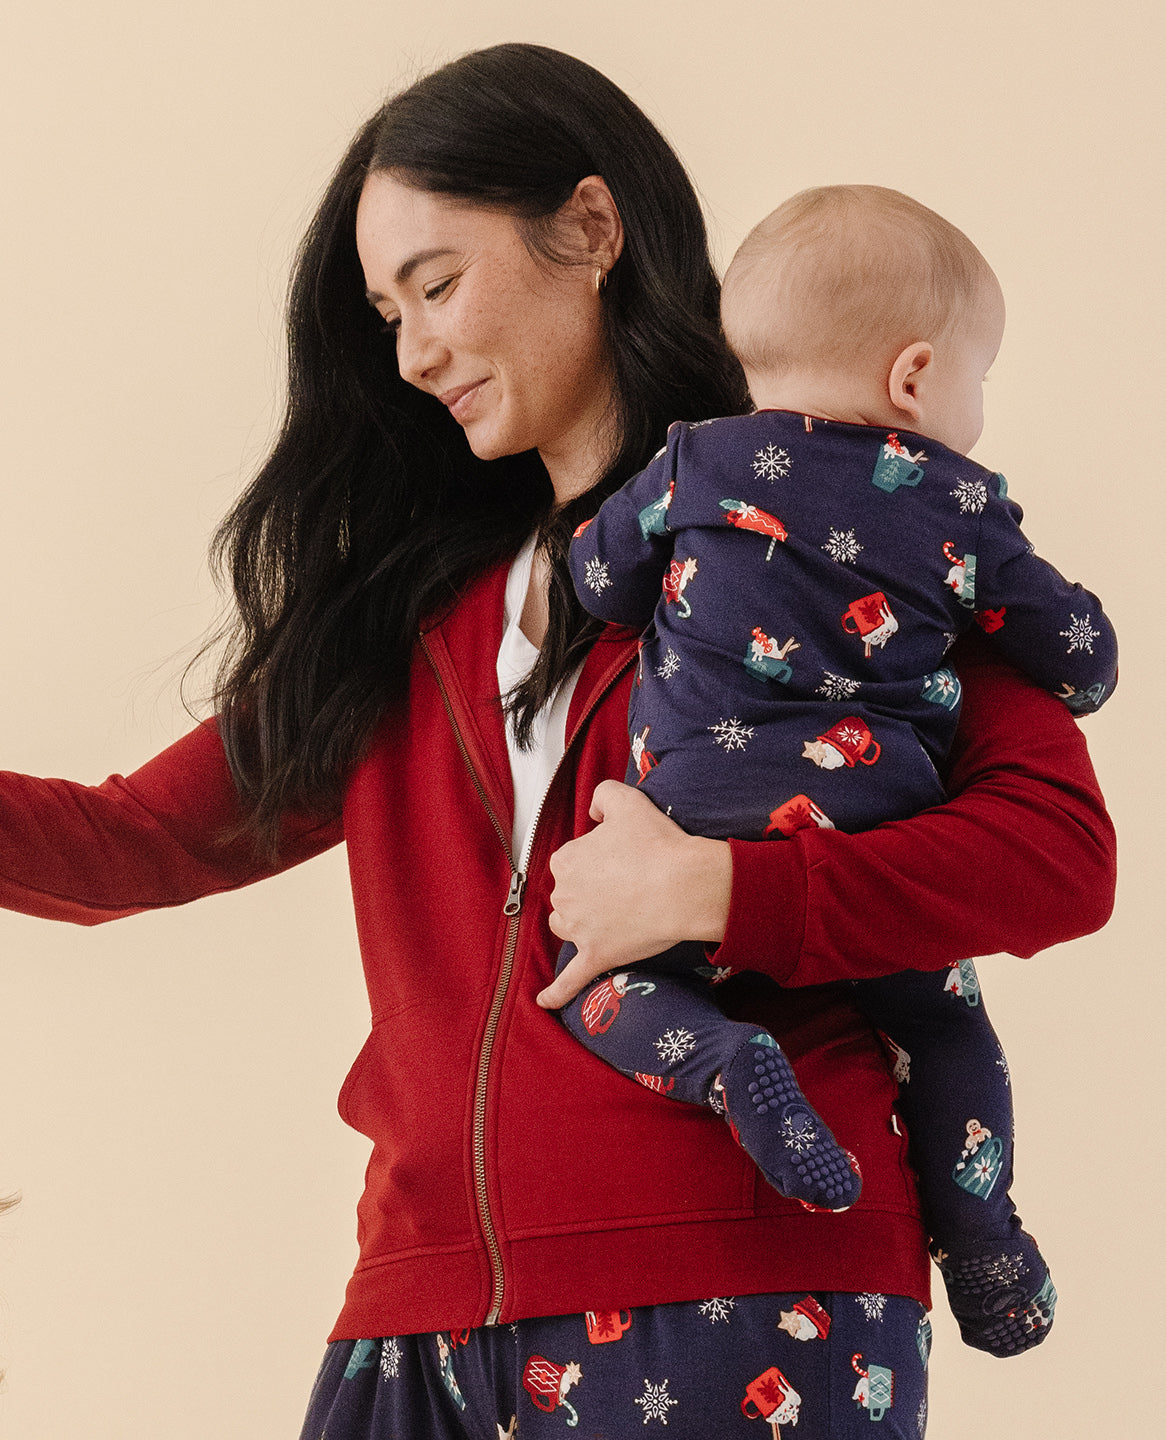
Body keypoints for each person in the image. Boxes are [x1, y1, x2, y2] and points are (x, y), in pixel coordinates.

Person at [0, 45, 1114, 1439]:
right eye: (385, 310)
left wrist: (722, 893)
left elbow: (1056, 855)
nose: (411, 350)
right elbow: (129, 842)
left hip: (740, 1296)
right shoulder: (412, 627)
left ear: (590, 231)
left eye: (438, 283)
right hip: (417, 1318)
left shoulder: (830, 527)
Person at [555, 184, 1117, 1360]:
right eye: (979, 377)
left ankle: (722, 1062)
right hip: (862, 837)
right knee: (946, 1030)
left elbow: (594, 582)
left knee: (600, 982)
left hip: (682, 824)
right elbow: (1076, 664)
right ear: (914, 377)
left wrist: (651, 569)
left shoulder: (692, 460)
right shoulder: (960, 505)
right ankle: (980, 1241)